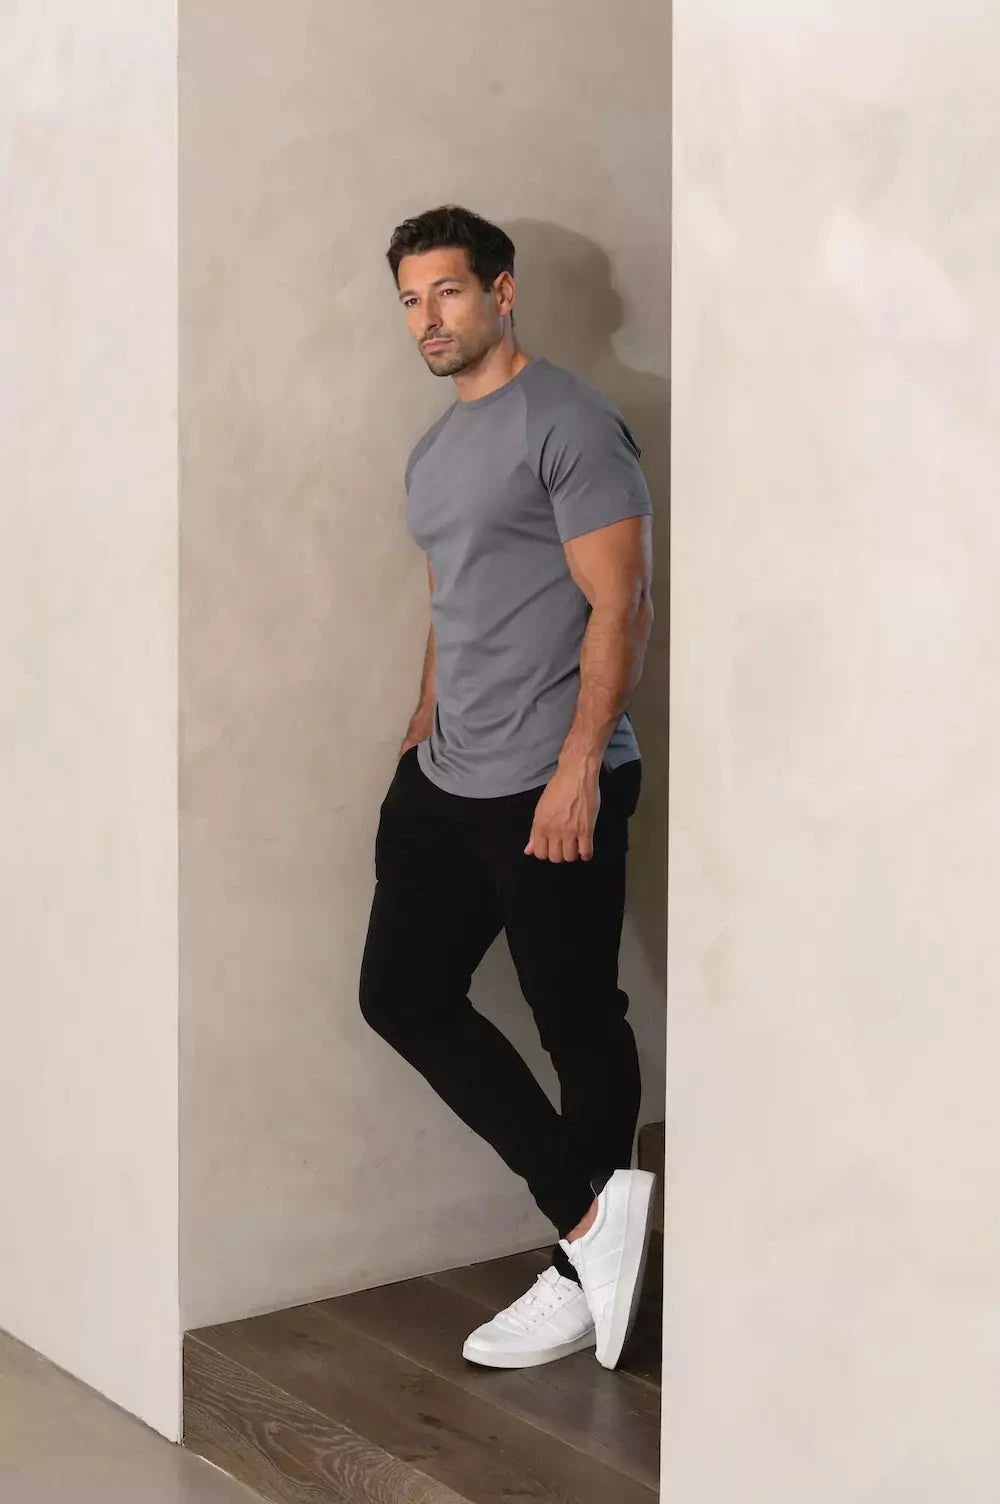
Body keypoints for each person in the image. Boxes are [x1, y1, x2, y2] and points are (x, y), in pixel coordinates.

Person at [360, 205, 656, 1372]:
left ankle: (580, 1273)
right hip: (447, 774)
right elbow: (453, 590)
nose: (427, 319)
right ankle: (590, 1222)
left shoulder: (569, 421)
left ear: (501, 291)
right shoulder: (434, 449)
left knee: (576, 1017)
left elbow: (620, 602)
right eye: (410, 300)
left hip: (549, 774)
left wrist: (580, 765)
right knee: (401, 993)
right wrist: (422, 716)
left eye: (446, 291)